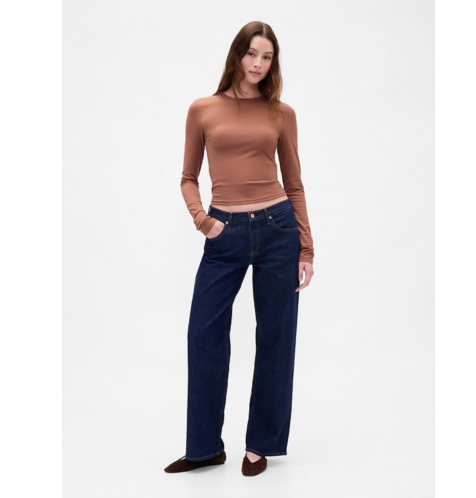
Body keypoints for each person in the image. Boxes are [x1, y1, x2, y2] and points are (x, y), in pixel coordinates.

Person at [164, 21, 315, 478]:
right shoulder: (203, 109)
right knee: (204, 335)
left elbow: (294, 183)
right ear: (237, 55)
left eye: (267, 57)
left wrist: (306, 249)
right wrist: (203, 221)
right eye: (252, 54)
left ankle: (260, 444)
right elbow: (188, 177)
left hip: (277, 229)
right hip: (223, 232)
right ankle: (204, 448)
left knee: (276, 337)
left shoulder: (281, 113)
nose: (258, 64)